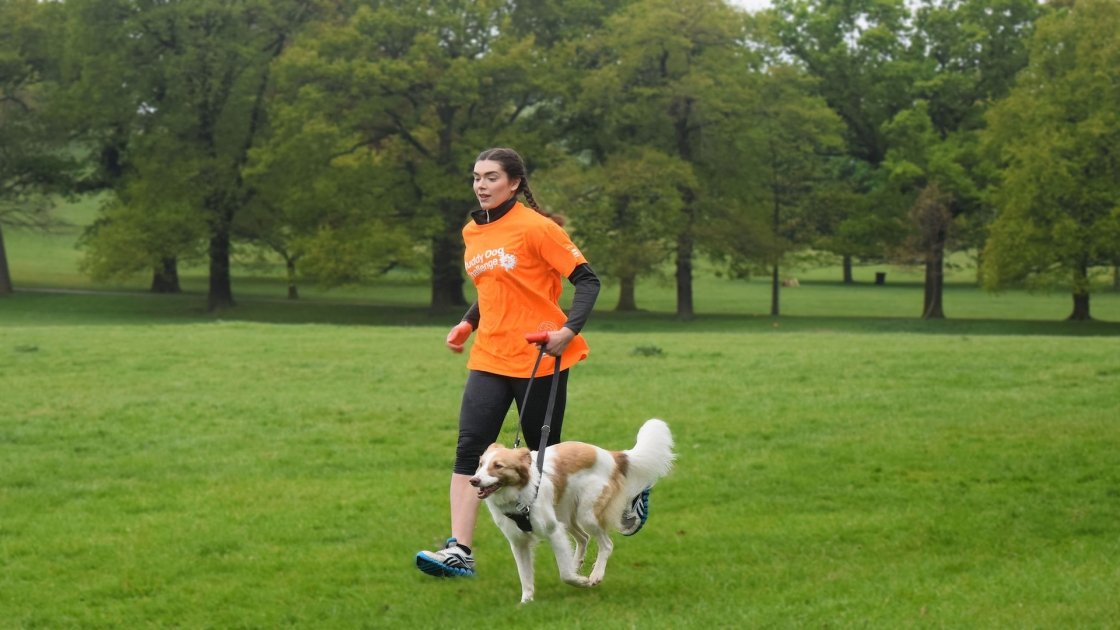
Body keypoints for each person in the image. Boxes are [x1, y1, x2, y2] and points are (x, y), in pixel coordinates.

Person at [415, 148, 651, 579]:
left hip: (541, 356)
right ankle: (460, 552)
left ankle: (628, 487)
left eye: (490, 177)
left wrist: (568, 332)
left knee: (543, 459)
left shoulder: (538, 229)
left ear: (515, 183)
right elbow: (494, 287)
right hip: (489, 356)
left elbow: (587, 280)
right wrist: (468, 323)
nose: (480, 185)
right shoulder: (473, 231)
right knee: (472, 449)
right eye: (475, 177)